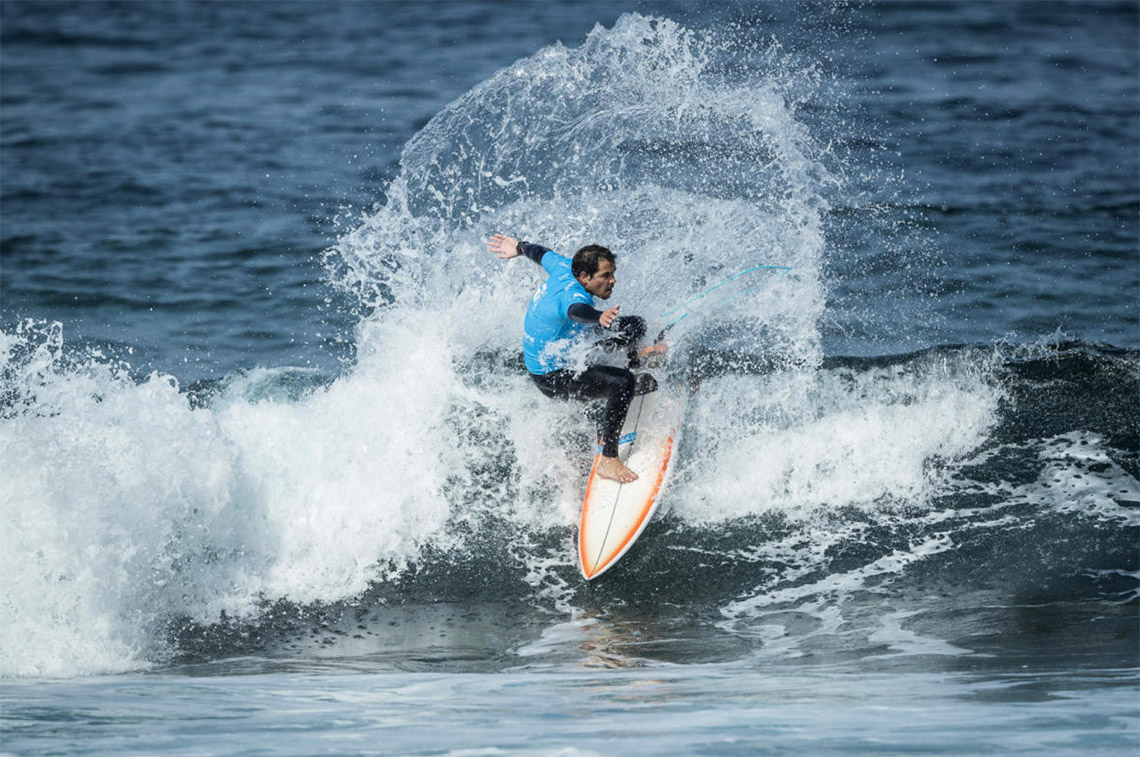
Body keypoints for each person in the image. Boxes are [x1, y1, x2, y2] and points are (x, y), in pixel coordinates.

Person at [487, 232, 661, 483]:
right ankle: (609, 460)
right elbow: (576, 311)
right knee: (622, 382)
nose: (612, 281)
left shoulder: (563, 265)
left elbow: (540, 253)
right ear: (584, 277)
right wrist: (598, 317)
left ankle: (636, 362)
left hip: (567, 349)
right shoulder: (574, 298)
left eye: (612, 273)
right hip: (551, 377)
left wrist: (520, 247)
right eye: (605, 276)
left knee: (634, 325)